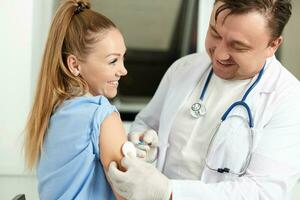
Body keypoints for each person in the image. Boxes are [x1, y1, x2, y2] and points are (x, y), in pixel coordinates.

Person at [107, 0, 300, 199]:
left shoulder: (289, 100)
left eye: (238, 46)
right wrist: (143, 143)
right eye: (215, 34)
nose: (220, 54)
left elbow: (263, 192)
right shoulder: (184, 68)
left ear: (273, 45)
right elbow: (147, 123)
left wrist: (169, 192)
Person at [24, 0, 128, 199]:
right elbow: (129, 194)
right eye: (113, 61)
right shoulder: (101, 114)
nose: (123, 70)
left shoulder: (55, 111)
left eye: (123, 58)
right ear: (74, 65)